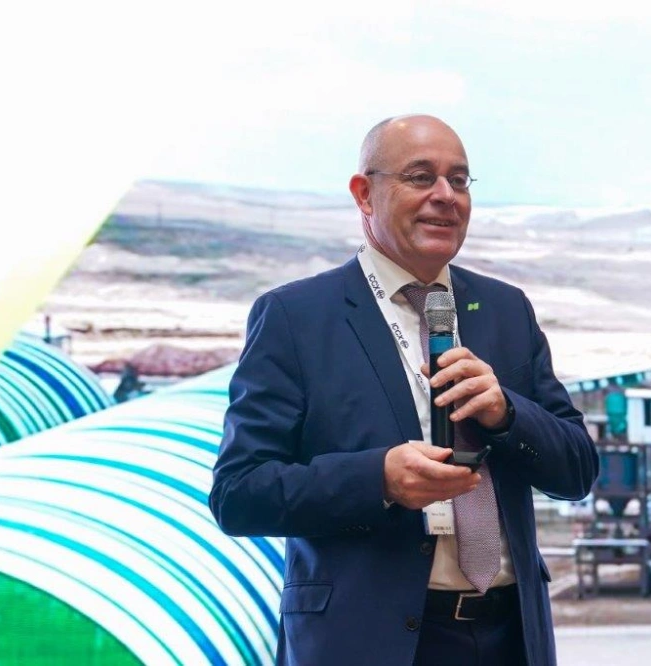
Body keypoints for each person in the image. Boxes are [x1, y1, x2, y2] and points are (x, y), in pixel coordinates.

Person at [209, 114, 598, 666]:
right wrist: (380, 479)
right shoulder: (296, 318)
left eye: (458, 180)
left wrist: (507, 414)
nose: (445, 196)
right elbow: (239, 494)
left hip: (510, 637)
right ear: (364, 194)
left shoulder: (506, 309)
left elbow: (577, 470)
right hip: (367, 642)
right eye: (420, 177)